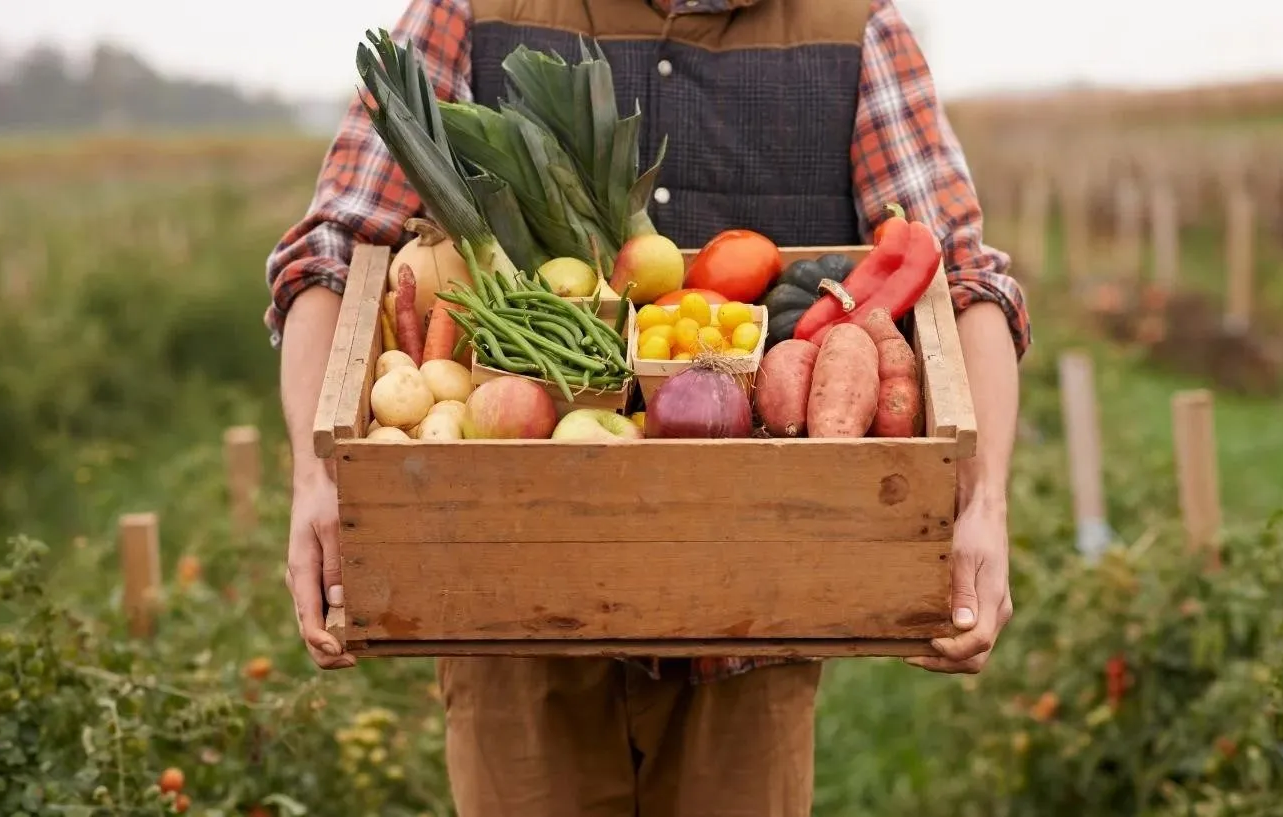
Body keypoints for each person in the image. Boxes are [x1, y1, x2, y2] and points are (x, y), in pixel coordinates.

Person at [266, 0, 1030, 814]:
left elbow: (963, 279)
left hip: (758, 616)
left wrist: (983, 503)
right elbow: (332, 254)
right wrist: (318, 478)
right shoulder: (472, 10)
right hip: (517, 611)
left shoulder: (852, 24)